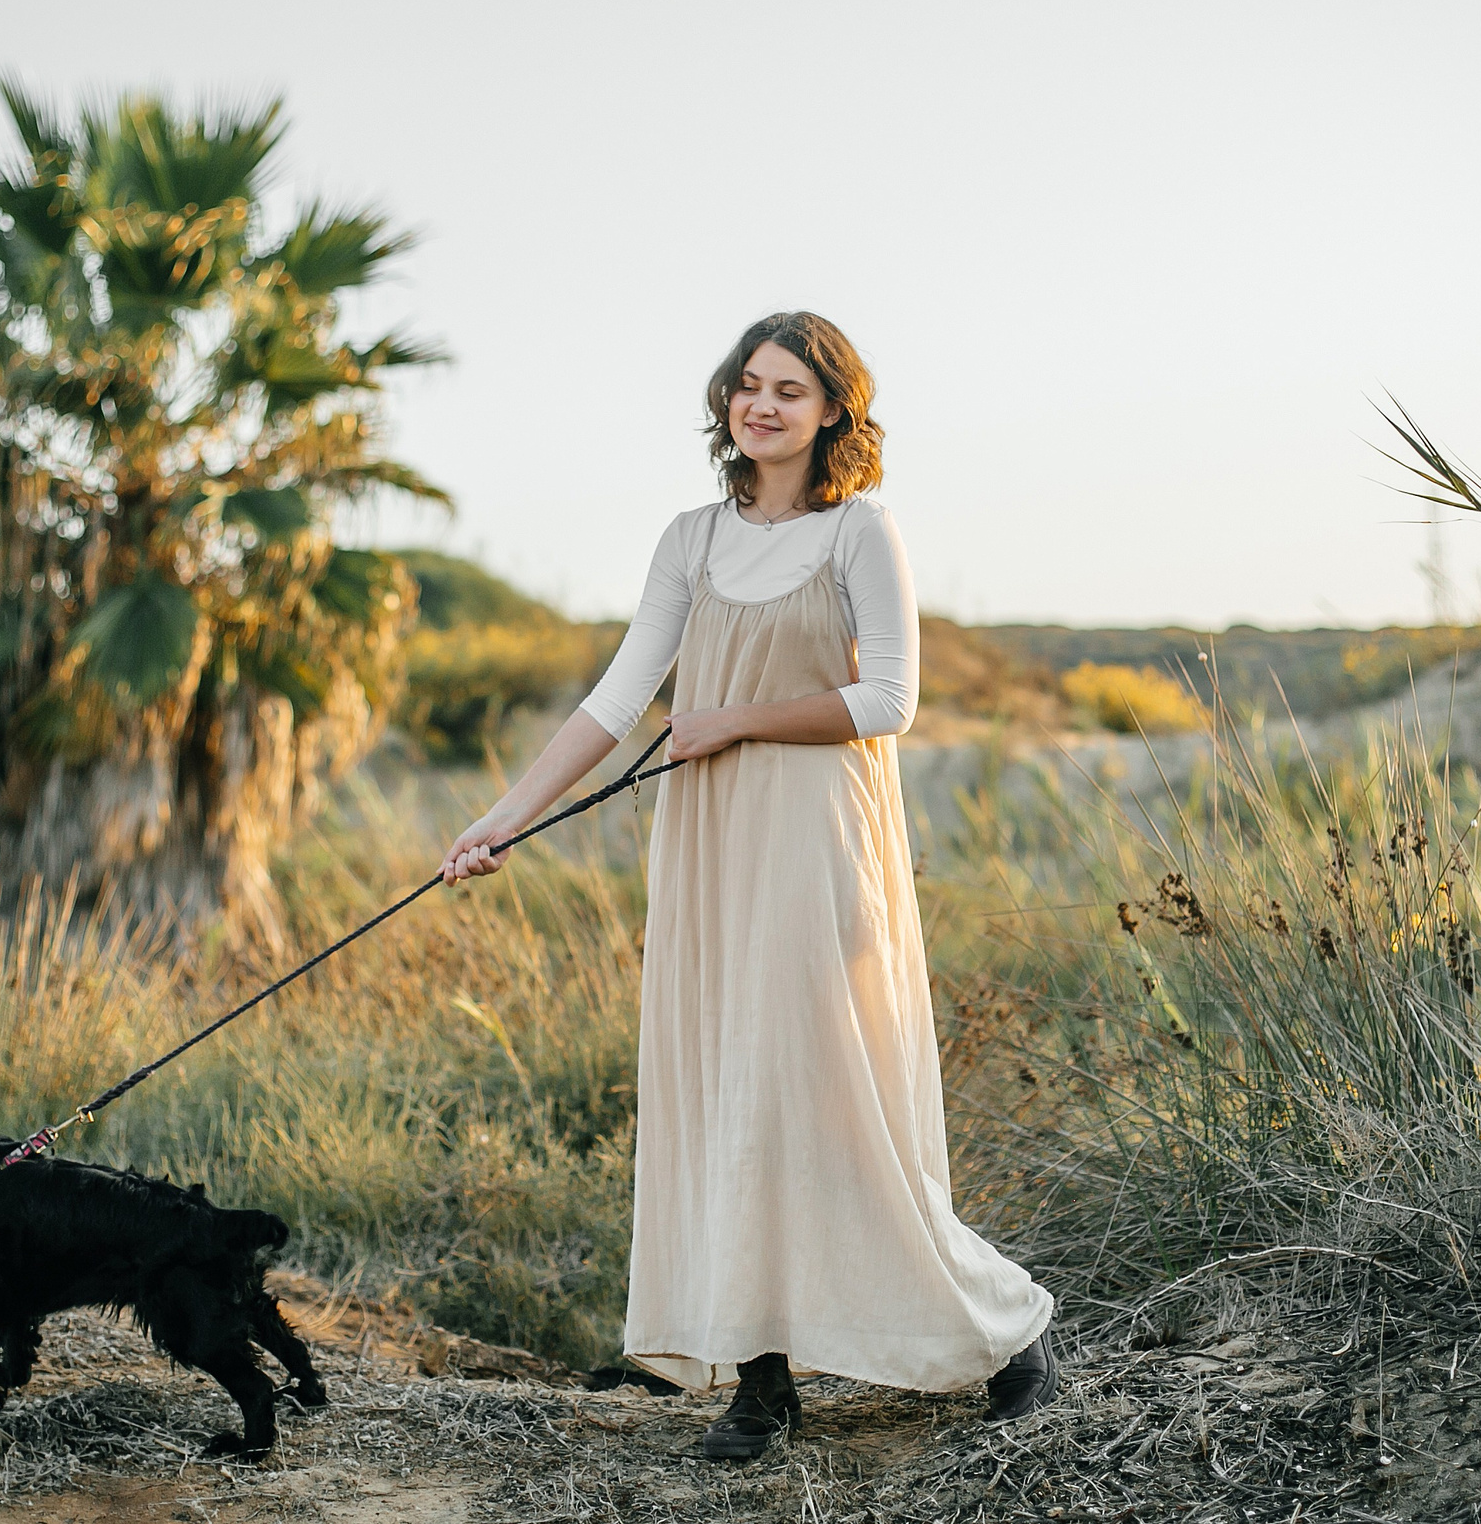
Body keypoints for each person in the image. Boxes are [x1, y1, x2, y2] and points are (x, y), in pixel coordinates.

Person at [441, 312, 1056, 1459]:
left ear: (833, 412)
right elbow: (618, 699)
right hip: (710, 850)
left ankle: (1007, 1330)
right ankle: (761, 1379)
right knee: (728, 1092)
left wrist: (729, 720)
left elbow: (889, 702)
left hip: (816, 842)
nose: (762, 405)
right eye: (749, 385)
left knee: (829, 1097)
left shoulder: (859, 533)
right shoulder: (689, 538)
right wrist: (501, 820)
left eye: (791, 389)